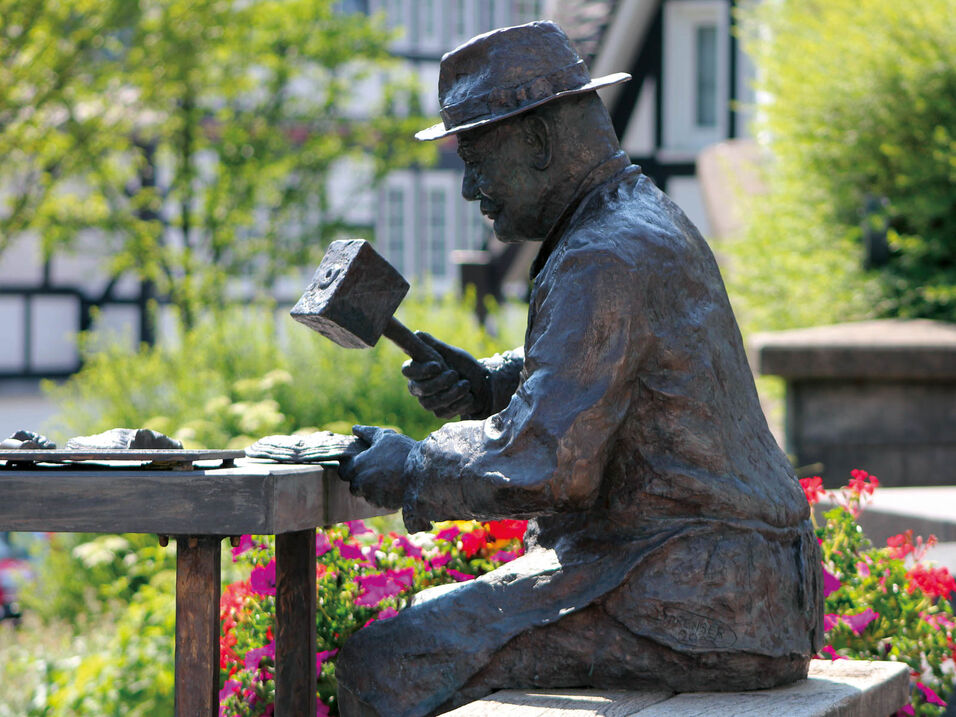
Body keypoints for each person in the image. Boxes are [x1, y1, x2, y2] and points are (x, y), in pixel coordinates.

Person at [335, 21, 822, 717]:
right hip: (734, 586)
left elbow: (549, 464)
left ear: (537, 142)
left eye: (476, 157)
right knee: (427, 626)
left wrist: (413, 467)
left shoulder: (603, 254)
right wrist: (492, 384)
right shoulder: (640, 219)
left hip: (694, 597)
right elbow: (633, 374)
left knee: (387, 663)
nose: (470, 188)